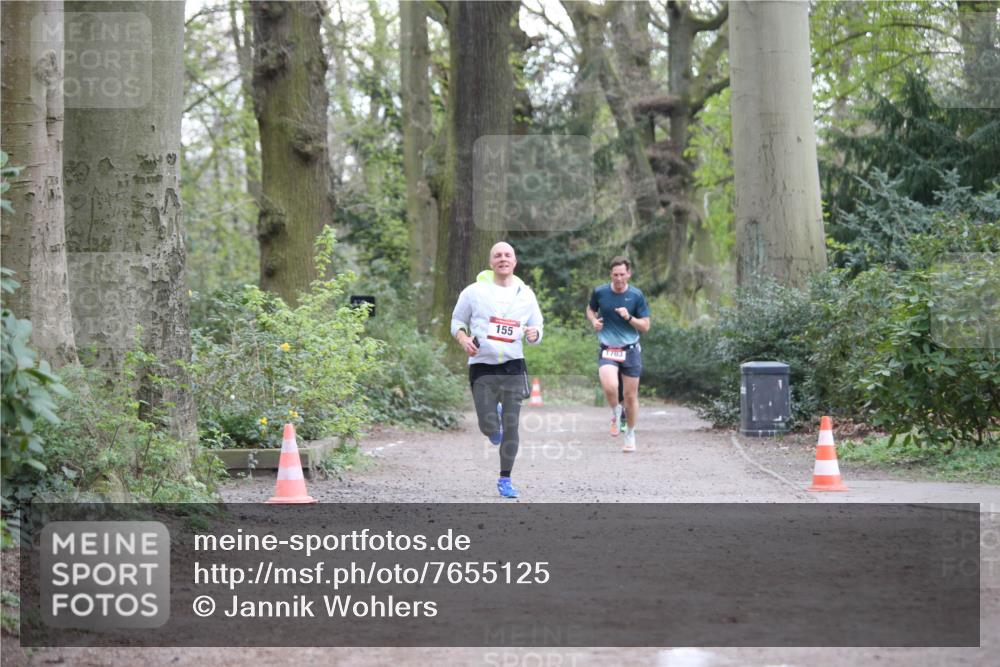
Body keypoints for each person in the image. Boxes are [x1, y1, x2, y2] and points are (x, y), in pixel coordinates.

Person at [452, 242, 543, 498]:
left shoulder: (526, 294)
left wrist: (535, 334)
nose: (503, 259)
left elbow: (537, 327)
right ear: (491, 262)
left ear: (515, 261)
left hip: (513, 365)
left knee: (511, 426)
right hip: (482, 365)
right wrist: (463, 339)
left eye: (508, 255)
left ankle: (505, 479)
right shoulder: (474, 292)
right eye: (498, 255)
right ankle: (493, 424)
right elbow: (457, 321)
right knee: (488, 427)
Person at [586, 257, 650, 452]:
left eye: (622, 274)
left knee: (630, 397)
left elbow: (645, 326)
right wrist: (594, 321)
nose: (619, 278)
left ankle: (630, 433)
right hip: (608, 348)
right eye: (615, 275)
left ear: (628, 274)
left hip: (630, 350)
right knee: (610, 385)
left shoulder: (636, 295)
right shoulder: (600, 292)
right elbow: (590, 309)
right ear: (611, 275)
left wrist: (628, 317)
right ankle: (616, 412)